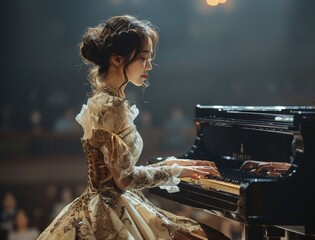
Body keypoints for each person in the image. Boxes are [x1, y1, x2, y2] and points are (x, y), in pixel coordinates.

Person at [38, 15, 229, 240]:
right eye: (143, 58)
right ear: (118, 59)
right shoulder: (113, 106)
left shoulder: (102, 98)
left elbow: (116, 169)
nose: (149, 66)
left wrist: (172, 163)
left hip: (101, 204)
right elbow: (125, 179)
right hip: (112, 211)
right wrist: (175, 171)